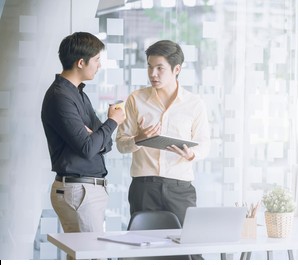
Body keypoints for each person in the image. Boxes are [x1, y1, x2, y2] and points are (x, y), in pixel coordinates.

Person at [41, 32, 125, 240]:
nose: (99, 66)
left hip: (85, 190)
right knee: (93, 260)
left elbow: (104, 145)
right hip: (79, 191)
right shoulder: (60, 97)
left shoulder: (78, 93)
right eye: (97, 60)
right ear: (81, 62)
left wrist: (98, 136)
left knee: (82, 260)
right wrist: (113, 121)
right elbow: (88, 148)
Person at [116, 40, 210, 226]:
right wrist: (138, 139)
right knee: (143, 249)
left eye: (160, 68)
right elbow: (120, 144)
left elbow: (204, 143)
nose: (153, 74)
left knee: (186, 248)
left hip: (180, 188)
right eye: (149, 67)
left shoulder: (194, 103)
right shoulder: (136, 99)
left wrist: (191, 154)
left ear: (177, 70)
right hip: (144, 187)